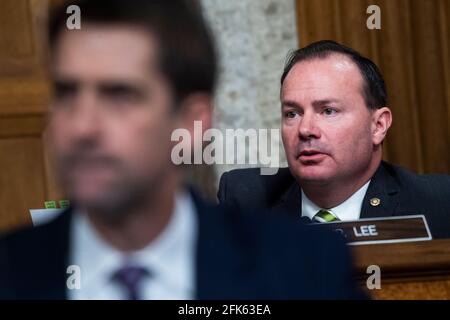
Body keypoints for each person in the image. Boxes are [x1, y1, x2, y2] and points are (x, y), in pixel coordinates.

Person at [0, 1, 361, 299]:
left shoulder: (305, 270)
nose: (82, 126)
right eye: (67, 93)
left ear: (191, 123)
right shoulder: (11, 273)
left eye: (120, 96)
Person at [218, 40, 450, 238]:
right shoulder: (246, 202)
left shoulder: (437, 205)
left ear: (378, 126)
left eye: (328, 111)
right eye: (292, 114)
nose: (306, 129)